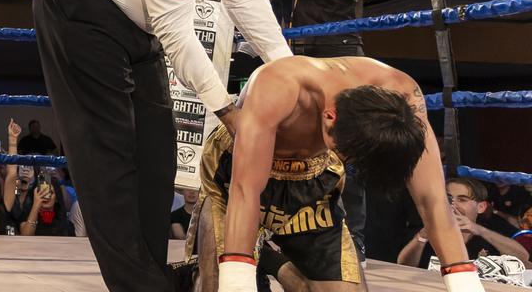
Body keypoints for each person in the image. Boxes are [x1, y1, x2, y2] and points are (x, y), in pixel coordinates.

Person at [33, 0, 294, 291]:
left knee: (158, 155)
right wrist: (229, 111)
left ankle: (153, 275)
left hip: (137, 25)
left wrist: (288, 70)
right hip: (79, 9)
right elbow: (175, 31)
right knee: (108, 157)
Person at [194, 56, 497, 292]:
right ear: (328, 117)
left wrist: (465, 283)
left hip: (315, 185)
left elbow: (432, 199)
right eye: (344, 153)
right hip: (237, 175)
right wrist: (238, 279)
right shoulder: (279, 86)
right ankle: (259, 259)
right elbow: (246, 189)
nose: (345, 160)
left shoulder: (403, 97)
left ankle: (277, 262)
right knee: (222, 283)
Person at [256, 0, 375, 259]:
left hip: (337, 43)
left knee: (347, 142)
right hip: (290, 43)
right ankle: (295, 235)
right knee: (292, 143)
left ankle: (353, 238)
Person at [397, 178, 529, 268]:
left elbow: (523, 257)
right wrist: (422, 236)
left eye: (462, 199)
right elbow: (404, 265)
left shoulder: (493, 230)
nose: (453, 205)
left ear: (481, 207)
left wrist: (478, 229)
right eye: (448, 198)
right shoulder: (430, 230)